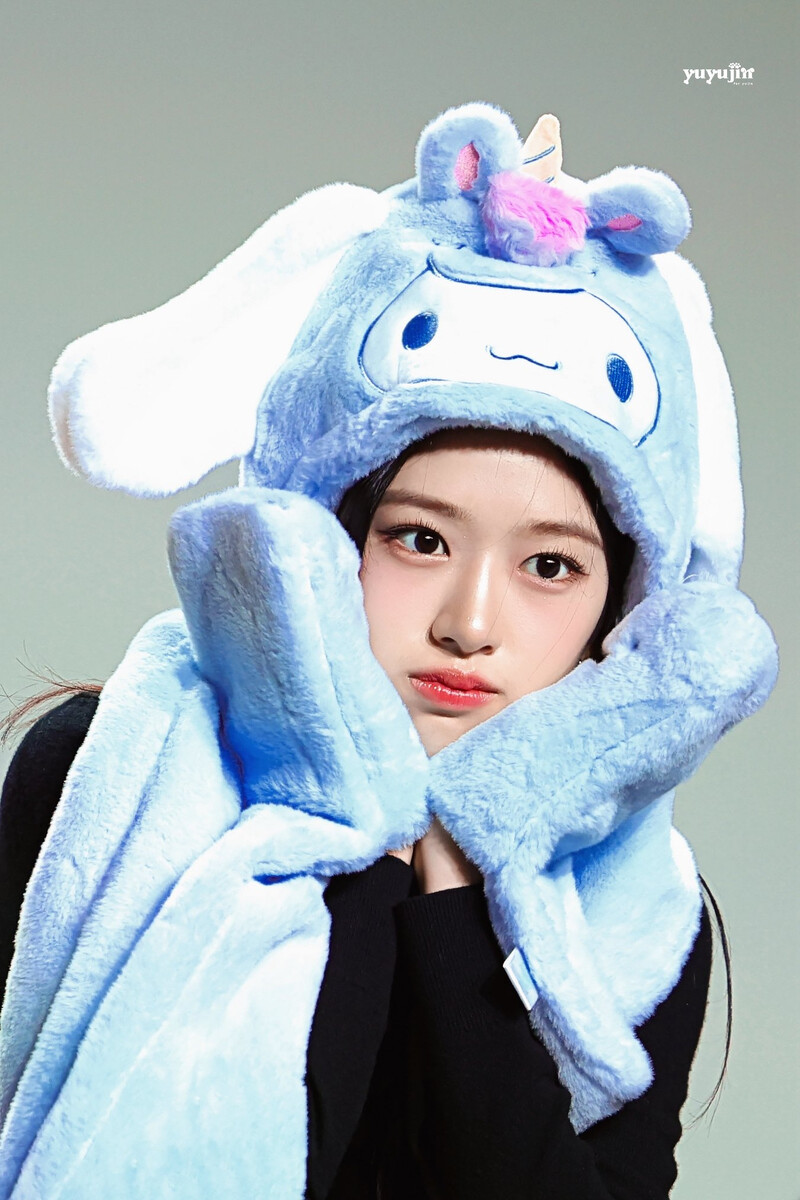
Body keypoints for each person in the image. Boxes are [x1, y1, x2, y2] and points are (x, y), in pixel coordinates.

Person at [0, 104, 777, 1199]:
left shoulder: (637, 909)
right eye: (419, 540)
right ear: (327, 535)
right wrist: (357, 828)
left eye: (549, 566)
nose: (470, 621)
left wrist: (454, 899)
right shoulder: (109, 769)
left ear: (623, 605)